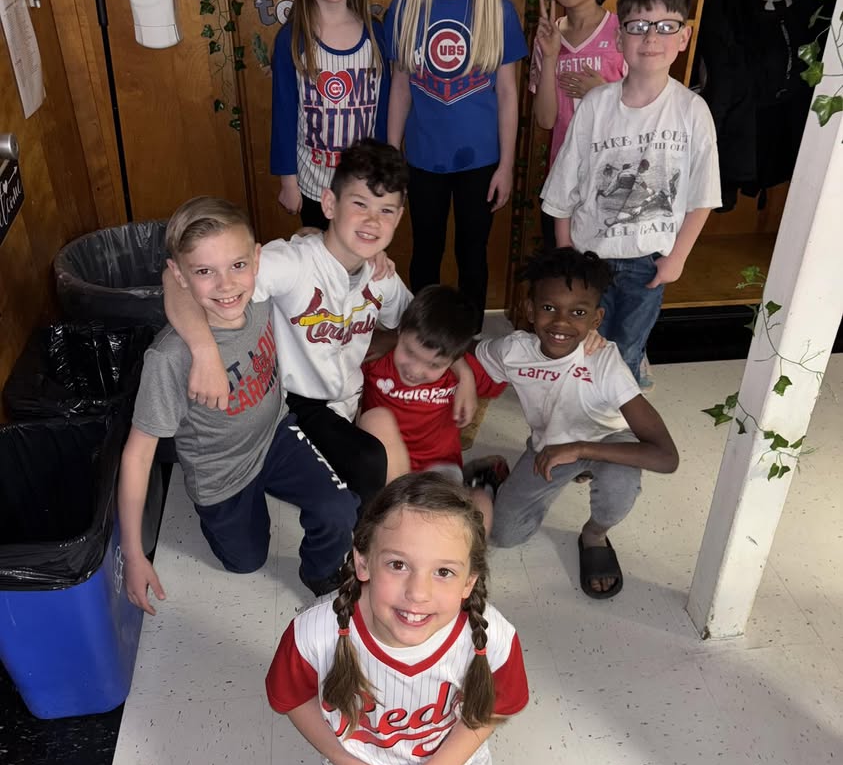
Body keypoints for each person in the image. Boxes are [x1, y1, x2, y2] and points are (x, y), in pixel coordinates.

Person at [266, 473, 529, 765]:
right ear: (362, 562)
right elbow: (291, 698)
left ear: (469, 582)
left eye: (443, 572)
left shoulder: (491, 634)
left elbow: (495, 707)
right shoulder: (316, 633)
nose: (418, 594)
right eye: (399, 565)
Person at [118, 197, 358, 614]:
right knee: (246, 562)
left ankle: (319, 574)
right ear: (179, 275)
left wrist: (329, 241)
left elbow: (309, 248)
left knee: (341, 509)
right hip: (220, 473)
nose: (227, 286)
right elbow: (138, 457)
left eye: (238, 266)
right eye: (205, 272)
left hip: (275, 436)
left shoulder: (261, 294)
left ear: (257, 259)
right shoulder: (169, 359)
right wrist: (134, 556)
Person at [164, 140, 416, 509]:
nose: (372, 221)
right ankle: (359, 542)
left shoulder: (382, 275)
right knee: (368, 463)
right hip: (295, 405)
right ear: (330, 204)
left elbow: (417, 322)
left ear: (399, 217)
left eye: (386, 211)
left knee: (389, 447)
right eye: (359, 204)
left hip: (348, 399)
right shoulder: (293, 263)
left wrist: (453, 368)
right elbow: (174, 280)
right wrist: (203, 353)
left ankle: (390, 535)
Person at [540, 0, 722, 383]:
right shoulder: (596, 105)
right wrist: (568, 250)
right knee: (583, 346)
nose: (651, 39)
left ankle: (617, 420)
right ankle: (576, 413)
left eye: (665, 26)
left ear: (684, 36)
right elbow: (564, 185)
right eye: (638, 27)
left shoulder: (693, 112)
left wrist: (677, 259)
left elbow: (703, 197)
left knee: (627, 347)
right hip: (592, 258)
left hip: (649, 263)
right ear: (620, 39)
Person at [475, 247, 679, 599]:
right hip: (549, 447)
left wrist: (581, 449)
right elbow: (464, 353)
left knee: (619, 486)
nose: (561, 322)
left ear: (596, 319)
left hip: (609, 442)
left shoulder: (604, 362)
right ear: (529, 309)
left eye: (578, 312)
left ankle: (595, 534)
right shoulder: (514, 350)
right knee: (505, 535)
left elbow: (666, 457)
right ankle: (498, 475)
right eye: (549, 308)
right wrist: (463, 380)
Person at [385, 0, 528, 330]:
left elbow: (508, 93)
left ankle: (466, 338)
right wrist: (393, 158)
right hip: (422, 160)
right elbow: (401, 88)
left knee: (473, 253)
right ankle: (423, 337)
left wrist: (506, 165)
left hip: (481, 164)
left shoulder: (497, 9)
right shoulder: (406, 8)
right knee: (425, 250)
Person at [270, 0, 390, 231]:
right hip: (313, 186)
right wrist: (288, 183)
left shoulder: (377, 37)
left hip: (364, 187)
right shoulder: (291, 40)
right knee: (321, 269)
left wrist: (385, 177)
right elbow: (284, 118)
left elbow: (384, 116)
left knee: (358, 266)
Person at [358, 285, 509, 530]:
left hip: (439, 469)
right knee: (391, 522)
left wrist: (466, 376)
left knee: (472, 520)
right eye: (409, 351)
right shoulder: (375, 359)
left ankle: (481, 483)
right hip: (384, 467)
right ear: (400, 332)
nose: (415, 370)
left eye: (434, 364)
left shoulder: (461, 372)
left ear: (454, 358)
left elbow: (511, 371)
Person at [530, 0, 626, 250]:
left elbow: (641, 117)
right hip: (562, 188)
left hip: (611, 187)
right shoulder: (548, 37)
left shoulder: (622, 35)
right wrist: (551, 55)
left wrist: (603, 94)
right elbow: (544, 119)